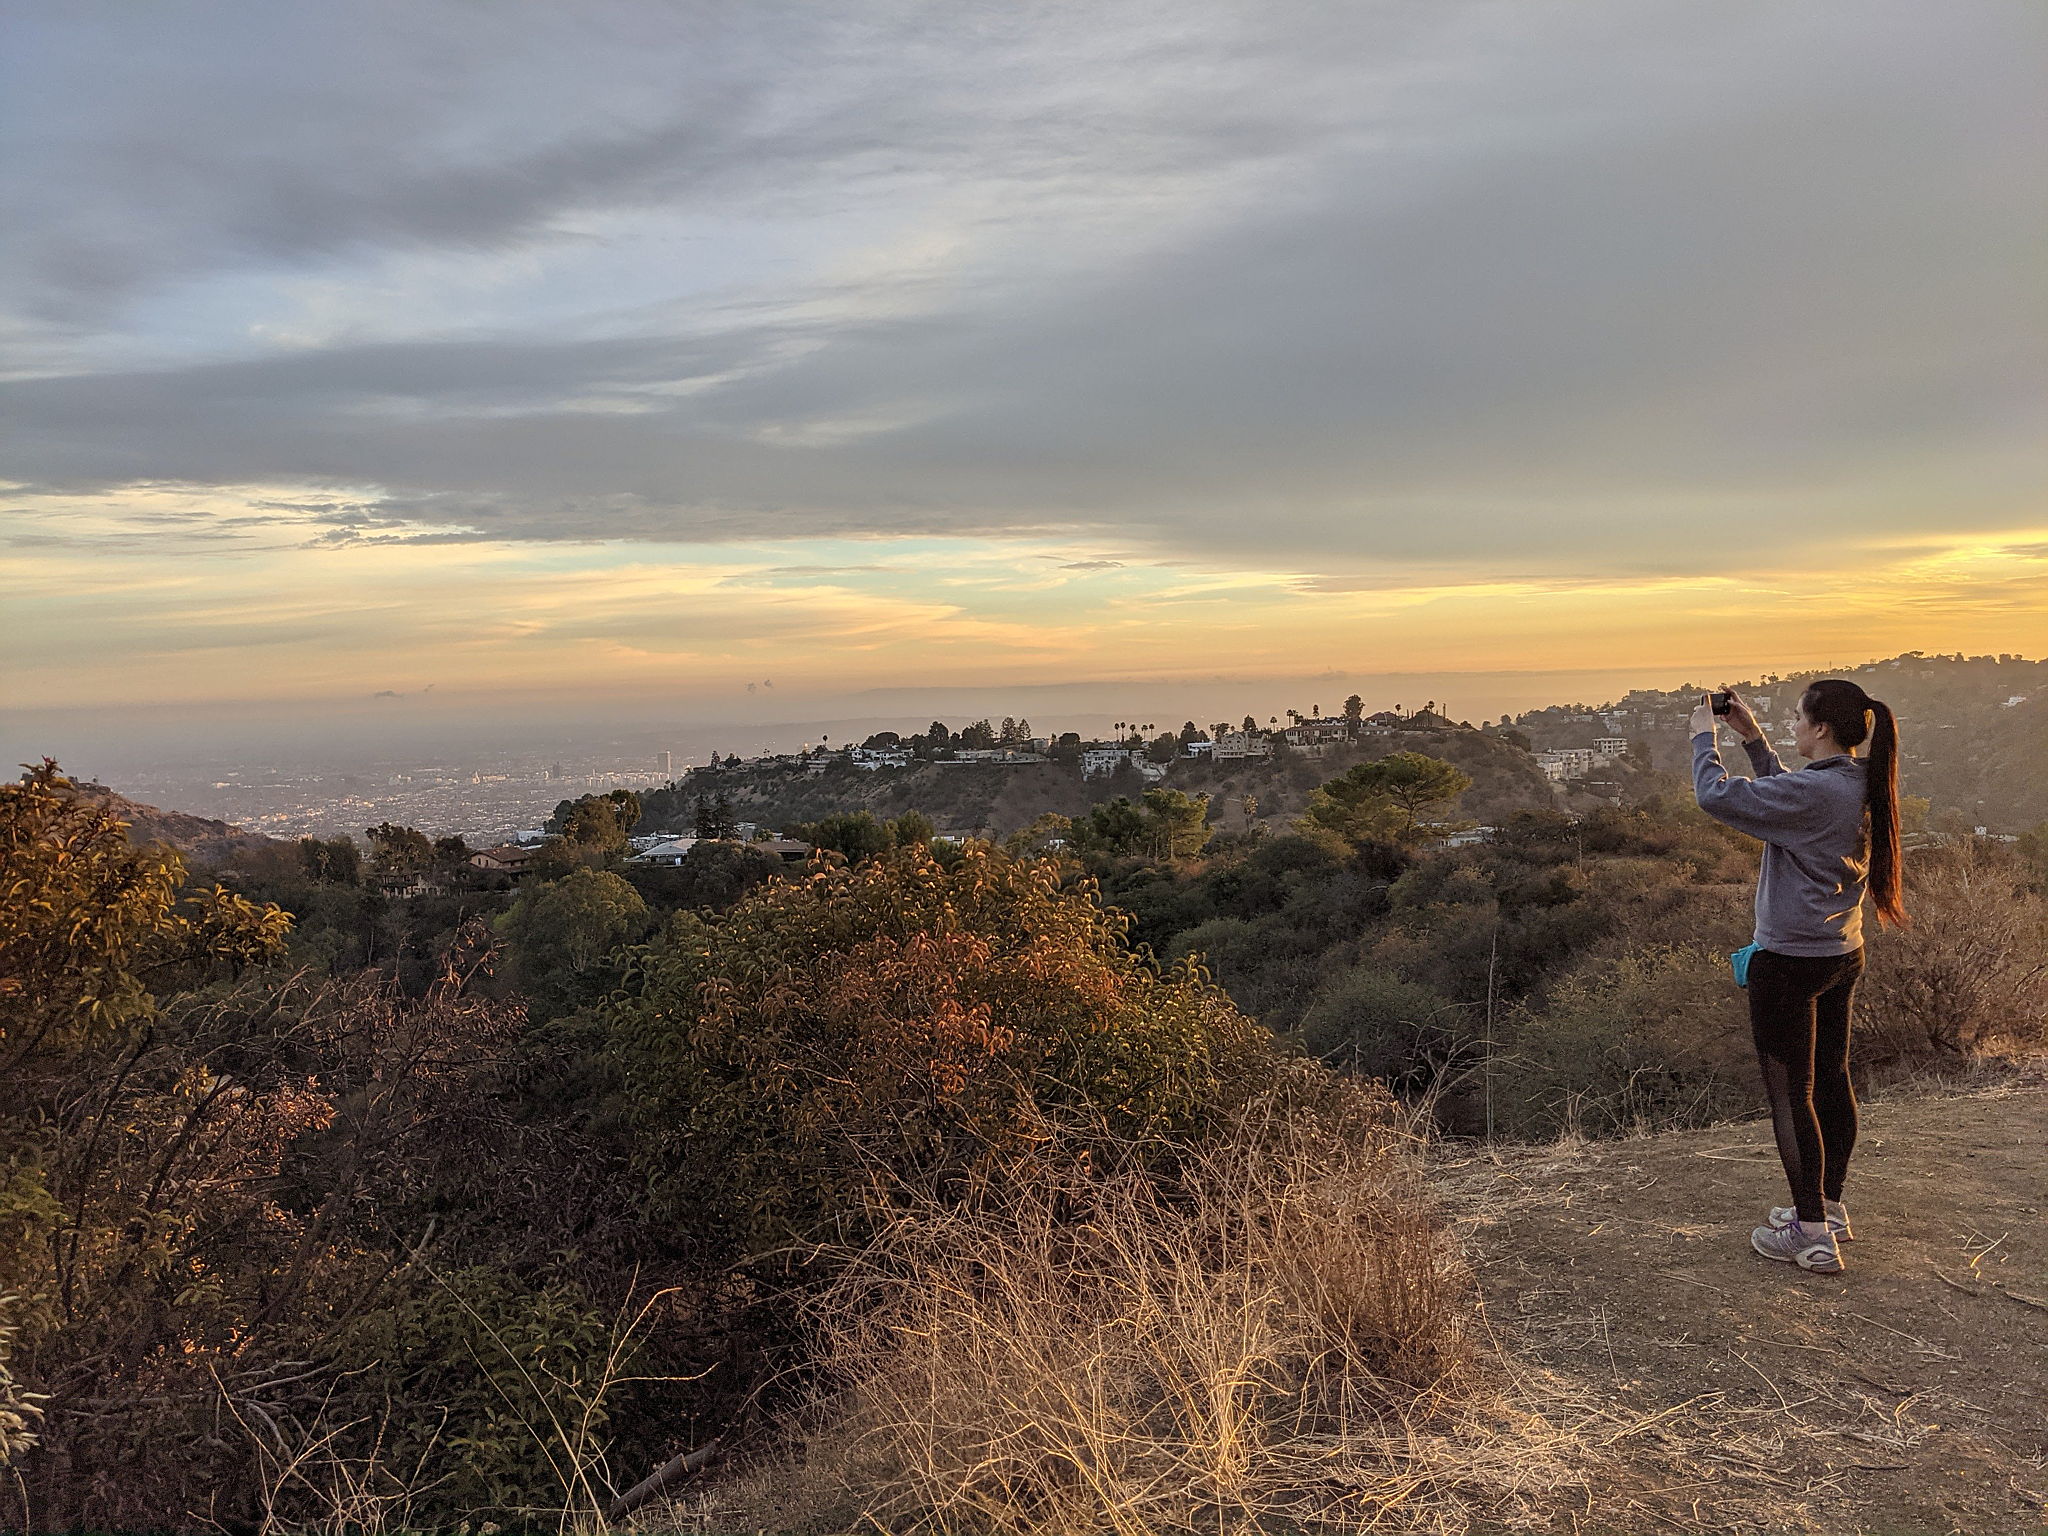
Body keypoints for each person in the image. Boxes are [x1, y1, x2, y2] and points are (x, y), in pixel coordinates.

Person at [1691, 679, 1908, 1274]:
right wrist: (1754, 739)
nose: (1791, 724)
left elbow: (1716, 797)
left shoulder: (1819, 792)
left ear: (1819, 729)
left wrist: (1702, 736)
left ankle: (1810, 1236)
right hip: (1842, 951)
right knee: (1833, 1080)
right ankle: (1828, 1209)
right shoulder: (1862, 780)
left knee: (1792, 1096)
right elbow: (1792, 792)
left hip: (1789, 963)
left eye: (1795, 717)